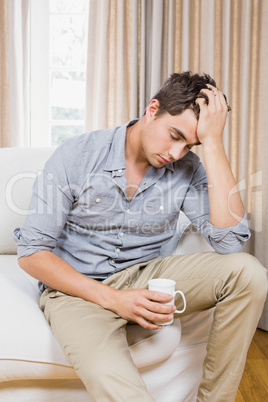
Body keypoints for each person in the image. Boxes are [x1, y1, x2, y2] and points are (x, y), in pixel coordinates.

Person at [13, 71, 267, 402]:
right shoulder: (76, 154)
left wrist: (214, 144)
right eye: (175, 135)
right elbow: (32, 252)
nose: (177, 152)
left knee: (249, 273)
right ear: (152, 109)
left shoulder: (188, 168)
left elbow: (230, 241)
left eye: (191, 144)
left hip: (146, 275)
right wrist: (114, 300)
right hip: (77, 292)